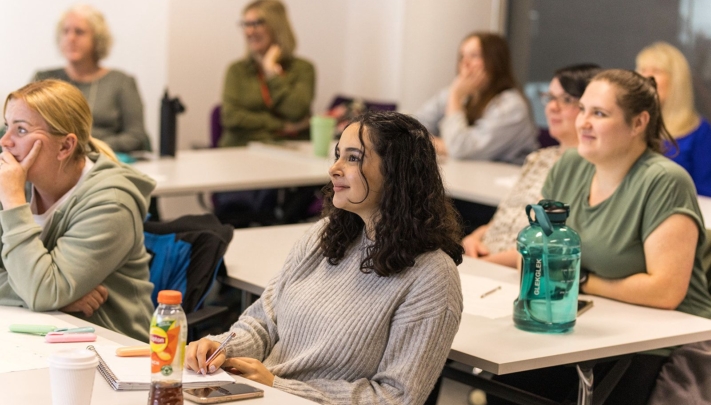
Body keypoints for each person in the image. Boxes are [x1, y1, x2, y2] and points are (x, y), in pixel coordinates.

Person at [186, 111, 464, 405]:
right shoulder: (326, 235)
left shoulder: (432, 277)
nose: (334, 168)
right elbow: (264, 323)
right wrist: (221, 347)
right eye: (337, 155)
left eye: (353, 158)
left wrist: (280, 387)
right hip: (261, 395)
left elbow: (396, 397)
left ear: (397, 173)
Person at [489, 69, 711, 405]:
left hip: (664, 339)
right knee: (509, 390)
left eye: (599, 114)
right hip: (580, 319)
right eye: (583, 110)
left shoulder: (665, 181)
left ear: (639, 123)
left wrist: (581, 282)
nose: (583, 123)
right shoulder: (569, 166)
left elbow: (665, 291)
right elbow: (535, 252)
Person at [0, 80, 155, 342]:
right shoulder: (18, 183)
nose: (5, 141)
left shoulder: (112, 203)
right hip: (37, 338)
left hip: (112, 352)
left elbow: (42, 292)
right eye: (7, 126)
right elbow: (42, 293)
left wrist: (13, 202)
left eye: (22, 130)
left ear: (65, 147)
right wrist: (51, 296)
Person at [462, 64, 601, 266]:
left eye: (567, 100)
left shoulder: (591, 169)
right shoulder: (539, 157)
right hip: (487, 258)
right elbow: (506, 217)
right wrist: (473, 239)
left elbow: (551, 245)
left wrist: (487, 262)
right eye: (551, 97)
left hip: (524, 271)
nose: (553, 107)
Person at [33, 4, 151, 154]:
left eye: (79, 32)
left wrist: (87, 149)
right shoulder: (42, 80)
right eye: (65, 31)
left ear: (97, 39)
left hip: (102, 162)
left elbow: (135, 136)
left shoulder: (121, 82)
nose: (70, 38)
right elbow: (24, 127)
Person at [415, 32, 538, 164]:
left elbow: (460, 149)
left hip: (503, 180)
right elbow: (411, 129)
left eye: (474, 56)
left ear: (495, 61)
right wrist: (444, 145)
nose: (465, 63)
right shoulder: (453, 94)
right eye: (462, 56)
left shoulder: (511, 106)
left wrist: (455, 97)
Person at [220, 0, 315, 146]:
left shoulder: (303, 69)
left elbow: (296, 111)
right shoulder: (236, 70)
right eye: (246, 24)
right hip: (241, 149)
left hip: (291, 151)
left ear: (276, 26)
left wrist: (271, 71)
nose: (249, 31)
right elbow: (231, 118)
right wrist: (282, 126)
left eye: (257, 23)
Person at [636, 42, 711, 196]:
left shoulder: (701, 133)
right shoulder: (629, 126)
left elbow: (706, 191)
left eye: (656, 71)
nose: (645, 77)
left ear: (676, 80)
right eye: (642, 70)